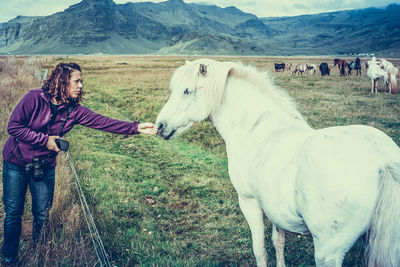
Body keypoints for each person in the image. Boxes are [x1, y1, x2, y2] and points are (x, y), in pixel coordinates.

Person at [1, 62, 157, 265]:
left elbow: (104, 122)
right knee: (13, 212)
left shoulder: (74, 111)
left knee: (41, 213)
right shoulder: (33, 98)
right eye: (77, 81)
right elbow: (13, 127)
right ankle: (8, 258)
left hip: (45, 165)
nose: (80, 85)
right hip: (16, 162)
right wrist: (44, 140)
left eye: (81, 81)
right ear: (62, 81)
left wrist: (135, 127)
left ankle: (39, 254)